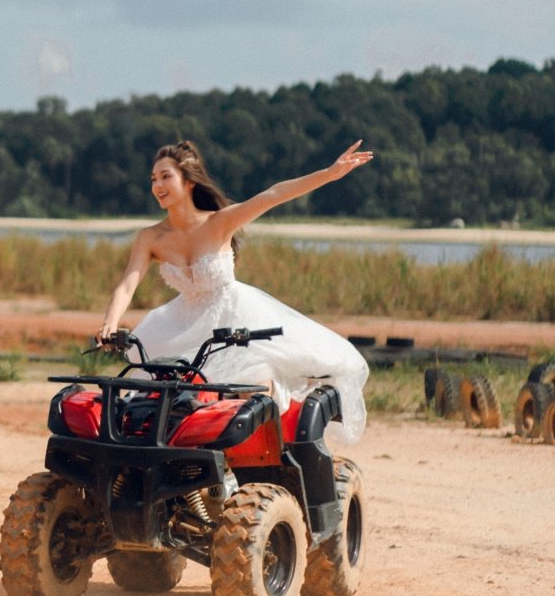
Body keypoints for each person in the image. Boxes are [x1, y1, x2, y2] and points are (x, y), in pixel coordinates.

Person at [97, 139, 375, 444]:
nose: (157, 185)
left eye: (166, 176)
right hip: (181, 324)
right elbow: (127, 284)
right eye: (153, 179)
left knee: (249, 384)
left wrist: (330, 173)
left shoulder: (219, 222)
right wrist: (110, 323)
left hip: (235, 317)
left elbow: (273, 194)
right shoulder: (151, 237)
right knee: (161, 393)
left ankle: (260, 457)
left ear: (188, 181)